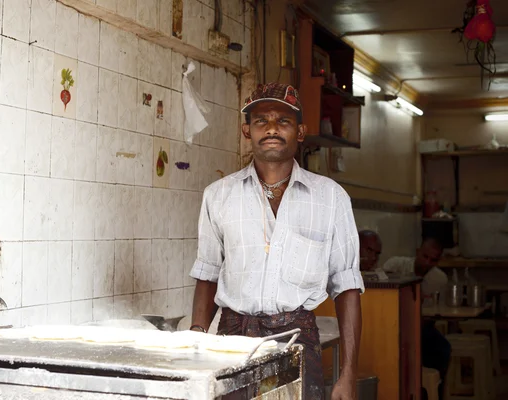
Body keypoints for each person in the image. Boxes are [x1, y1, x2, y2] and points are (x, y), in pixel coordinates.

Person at [189, 83, 364, 400]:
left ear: (300, 132)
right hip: (231, 343)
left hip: (295, 342)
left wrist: (349, 373)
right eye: (261, 120)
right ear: (247, 131)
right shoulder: (218, 196)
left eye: (283, 120)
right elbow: (207, 274)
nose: (271, 128)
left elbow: (347, 286)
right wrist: (195, 348)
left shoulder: (330, 198)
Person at [384, 237, 451, 400]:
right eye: (425, 256)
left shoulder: (440, 279)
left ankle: (432, 392)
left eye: (433, 260)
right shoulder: (395, 265)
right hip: (392, 322)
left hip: (422, 325)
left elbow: (435, 312)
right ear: (417, 252)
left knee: (442, 349)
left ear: (438, 261)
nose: (427, 262)